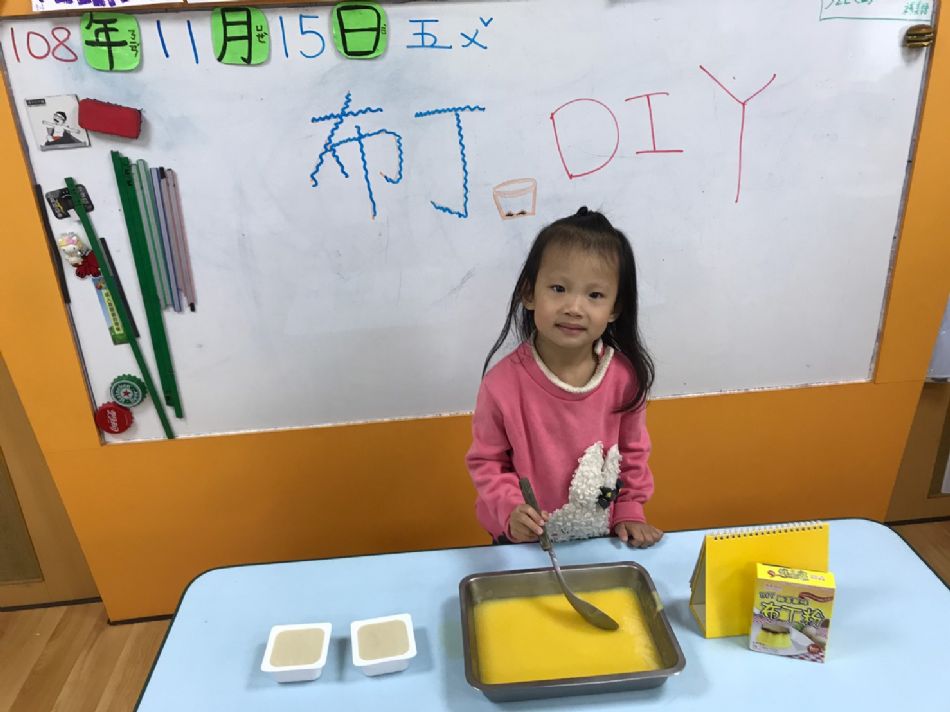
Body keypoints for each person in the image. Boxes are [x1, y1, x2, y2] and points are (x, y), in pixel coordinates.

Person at [465, 207, 662, 548]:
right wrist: (511, 510)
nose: (574, 307)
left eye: (594, 295)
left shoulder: (624, 379)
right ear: (529, 293)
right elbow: (488, 462)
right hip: (523, 544)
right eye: (558, 288)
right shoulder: (501, 385)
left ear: (615, 308)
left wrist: (629, 509)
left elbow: (632, 455)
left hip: (600, 541)